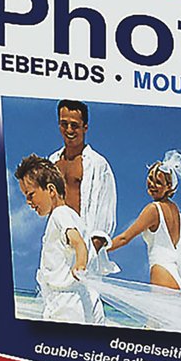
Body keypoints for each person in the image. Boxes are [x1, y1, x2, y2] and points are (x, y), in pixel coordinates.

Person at [14, 154, 102, 324]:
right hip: (79, 300)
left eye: (30, 194)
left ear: (51, 190)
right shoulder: (73, 216)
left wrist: (80, 265)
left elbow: (78, 243)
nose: (28, 202)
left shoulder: (60, 214)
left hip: (66, 306)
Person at [108, 151, 181, 290]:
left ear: (168, 187)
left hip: (161, 271)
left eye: (158, 182)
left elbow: (124, 238)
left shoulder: (153, 209)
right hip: (175, 274)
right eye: (150, 178)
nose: (152, 184)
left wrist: (97, 249)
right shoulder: (175, 209)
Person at [49, 100, 117, 257]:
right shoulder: (52, 162)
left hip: (85, 245)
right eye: (64, 124)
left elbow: (105, 213)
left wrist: (88, 254)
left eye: (74, 125)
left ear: (85, 127)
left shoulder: (98, 164)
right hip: (57, 246)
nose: (69, 130)